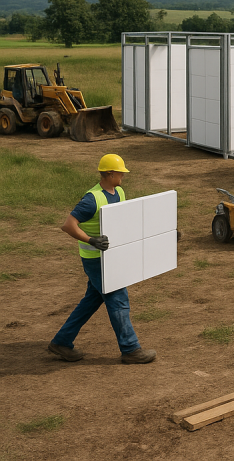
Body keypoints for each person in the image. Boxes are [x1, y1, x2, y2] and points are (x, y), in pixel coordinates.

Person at [49, 154, 156, 364]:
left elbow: (125, 220)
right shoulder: (92, 199)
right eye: (120, 172)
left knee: (92, 300)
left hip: (111, 257)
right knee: (118, 299)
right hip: (95, 259)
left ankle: (61, 341)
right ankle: (130, 349)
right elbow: (68, 225)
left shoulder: (119, 192)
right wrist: (91, 240)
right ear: (110, 173)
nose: (123, 176)